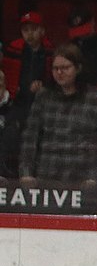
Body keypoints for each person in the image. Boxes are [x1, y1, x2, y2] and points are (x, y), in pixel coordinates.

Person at [18, 42, 97, 189]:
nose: (59, 73)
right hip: (46, 179)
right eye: (55, 68)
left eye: (65, 68)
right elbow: (30, 138)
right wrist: (26, 173)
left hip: (84, 182)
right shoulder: (43, 97)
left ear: (78, 68)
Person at [0, 10, 51, 178]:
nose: (29, 34)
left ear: (42, 30)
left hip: (40, 103)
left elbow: (53, 79)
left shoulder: (50, 51)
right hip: (17, 101)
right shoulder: (13, 49)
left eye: (34, 29)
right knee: (11, 131)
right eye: (26, 30)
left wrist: (44, 86)